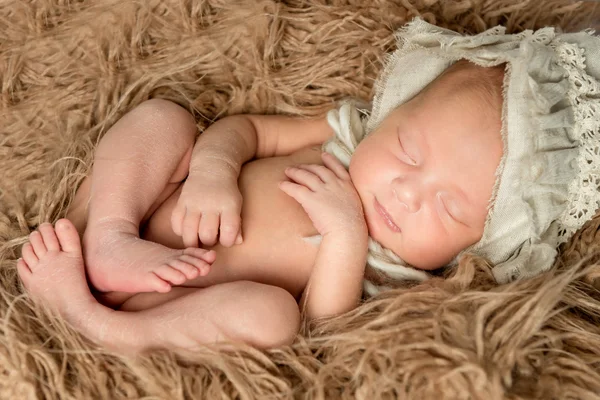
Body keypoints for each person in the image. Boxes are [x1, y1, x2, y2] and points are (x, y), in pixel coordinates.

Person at [16, 19, 600, 355]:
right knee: (163, 120)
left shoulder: (400, 271)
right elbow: (245, 130)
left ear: (479, 244)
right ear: (392, 111)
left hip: (179, 302)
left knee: (275, 320)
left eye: (449, 209)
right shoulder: (346, 133)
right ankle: (107, 233)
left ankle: (100, 323)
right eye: (407, 152)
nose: (406, 192)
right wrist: (213, 171)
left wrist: (345, 230)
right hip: (156, 203)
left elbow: (324, 323)